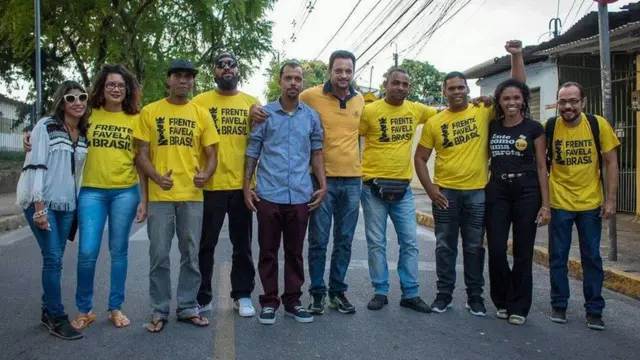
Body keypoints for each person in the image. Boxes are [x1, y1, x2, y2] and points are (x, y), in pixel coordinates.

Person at [414, 40, 525, 316]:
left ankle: (475, 296)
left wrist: (516, 56)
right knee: (444, 247)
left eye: (461, 87)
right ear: (444, 92)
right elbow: (420, 158)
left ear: (468, 89)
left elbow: (518, 88)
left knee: (475, 247)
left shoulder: (483, 110)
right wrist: (430, 190)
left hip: (478, 192)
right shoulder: (434, 123)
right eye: (451, 88)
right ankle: (444, 295)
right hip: (446, 195)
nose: (456, 92)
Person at [252, 50, 364, 315]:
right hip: (299, 185)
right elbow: (274, 115)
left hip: (344, 182)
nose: (343, 75)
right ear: (329, 71)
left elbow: (325, 147)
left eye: (348, 70)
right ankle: (311, 294)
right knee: (315, 241)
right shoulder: (308, 97)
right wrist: (251, 109)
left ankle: (333, 293)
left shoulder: (359, 101)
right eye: (339, 70)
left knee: (343, 240)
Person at [133, 60, 220, 332]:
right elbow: (141, 154)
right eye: (178, 76)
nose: (184, 81)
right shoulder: (150, 112)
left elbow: (212, 155)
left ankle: (187, 307)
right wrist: (157, 178)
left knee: (191, 254)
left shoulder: (201, 113)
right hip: (161, 197)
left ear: (193, 82)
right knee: (158, 255)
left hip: (192, 196)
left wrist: (205, 174)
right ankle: (159, 309)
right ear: (168, 80)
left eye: (189, 77)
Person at [243, 61, 326, 325]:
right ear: (280, 81)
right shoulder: (265, 114)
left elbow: (316, 152)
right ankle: (269, 302)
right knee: (268, 251)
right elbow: (253, 151)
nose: (293, 83)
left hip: (300, 195)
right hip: (268, 194)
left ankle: (293, 301)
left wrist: (322, 185)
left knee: (295, 252)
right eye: (288, 78)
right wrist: (247, 186)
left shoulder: (311, 116)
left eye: (297, 79)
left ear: (302, 83)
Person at [16, 80, 90, 340]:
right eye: (71, 98)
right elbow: (36, 165)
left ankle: (48, 310)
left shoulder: (83, 133)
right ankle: (57, 317)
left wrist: (78, 203)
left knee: (55, 259)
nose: (78, 102)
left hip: (66, 205)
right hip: (42, 202)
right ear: (62, 102)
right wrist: (39, 207)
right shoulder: (45, 126)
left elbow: (78, 174)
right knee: (53, 258)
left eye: (82, 97)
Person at [359, 67, 436, 313]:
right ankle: (380, 291)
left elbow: (445, 113)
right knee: (376, 243)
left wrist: (476, 102)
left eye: (405, 84)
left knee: (410, 242)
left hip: (403, 190)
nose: (400, 87)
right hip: (373, 188)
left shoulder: (416, 109)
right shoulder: (369, 111)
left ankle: (410, 293)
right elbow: (348, 136)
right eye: (396, 83)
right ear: (386, 84)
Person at [546, 81, 619, 331]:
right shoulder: (551, 127)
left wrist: (610, 200)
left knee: (592, 257)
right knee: (557, 257)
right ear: (558, 104)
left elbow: (611, 162)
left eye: (573, 101)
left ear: (583, 102)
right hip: (559, 203)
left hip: (590, 204)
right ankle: (559, 304)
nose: (568, 106)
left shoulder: (597, 125)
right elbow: (541, 165)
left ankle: (594, 310)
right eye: (563, 102)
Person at [191, 52, 260, 317]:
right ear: (214, 72)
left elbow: (259, 143)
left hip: (241, 185)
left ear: (238, 70)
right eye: (221, 65)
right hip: (208, 186)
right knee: (205, 245)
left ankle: (242, 295)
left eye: (232, 64)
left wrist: (252, 183)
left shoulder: (252, 103)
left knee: (242, 244)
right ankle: (202, 296)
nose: (227, 68)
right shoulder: (199, 102)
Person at [485, 78, 550, 325]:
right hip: (497, 189)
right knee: (498, 249)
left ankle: (519, 306)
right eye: (506, 98)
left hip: (527, 191)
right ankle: (501, 300)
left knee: (523, 252)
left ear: (523, 100)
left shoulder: (534, 128)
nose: (511, 102)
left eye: (516, 98)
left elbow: (542, 166)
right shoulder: (492, 126)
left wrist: (546, 205)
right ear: (499, 102)